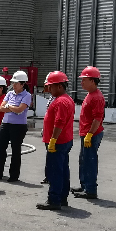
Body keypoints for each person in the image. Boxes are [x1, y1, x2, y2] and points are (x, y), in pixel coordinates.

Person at [37, 71, 75, 210]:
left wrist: (53, 140)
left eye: (51, 87)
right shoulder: (66, 99)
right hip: (64, 140)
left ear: (59, 86)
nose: (49, 90)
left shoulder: (61, 101)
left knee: (55, 171)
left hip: (58, 142)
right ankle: (62, 197)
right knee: (62, 169)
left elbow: (59, 122)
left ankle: (54, 199)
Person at [0, 70, 32, 182]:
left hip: (18, 126)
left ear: (22, 84)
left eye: (16, 83)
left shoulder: (27, 95)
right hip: (5, 124)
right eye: (13, 83)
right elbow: (1, 107)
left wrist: (10, 107)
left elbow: (20, 109)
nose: (13, 85)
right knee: (0, 148)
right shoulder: (10, 94)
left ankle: (14, 175)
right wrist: (12, 107)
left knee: (16, 150)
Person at [73, 66, 104, 199]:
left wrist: (90, 134)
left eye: (84, 80)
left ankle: (90, 189)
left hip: (91, 134)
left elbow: (98, 118)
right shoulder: (90, 94)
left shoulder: (96, 97)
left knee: (89, 161)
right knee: (84, 160)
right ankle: (84, 185)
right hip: (86, 133)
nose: (81, 83)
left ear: (92, 81)